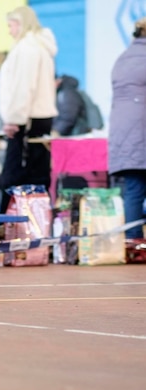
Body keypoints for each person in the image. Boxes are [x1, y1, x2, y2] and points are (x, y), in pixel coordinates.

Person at [0, 5, 58, 211]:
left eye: (11, 25)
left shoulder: (27, 48)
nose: (9, 30)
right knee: (37, 176)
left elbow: (23, 87)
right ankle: (36, 225)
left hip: (26, 120)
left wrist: (13, 119)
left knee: (14, 177)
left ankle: (8, 227)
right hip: (37, 118)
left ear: (22, 24)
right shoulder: (40, 47)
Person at [108, 17, 146, 239]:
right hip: (142, 131)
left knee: (133, 191)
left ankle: (132, 241)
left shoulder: (122, 59)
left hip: (124, 135)